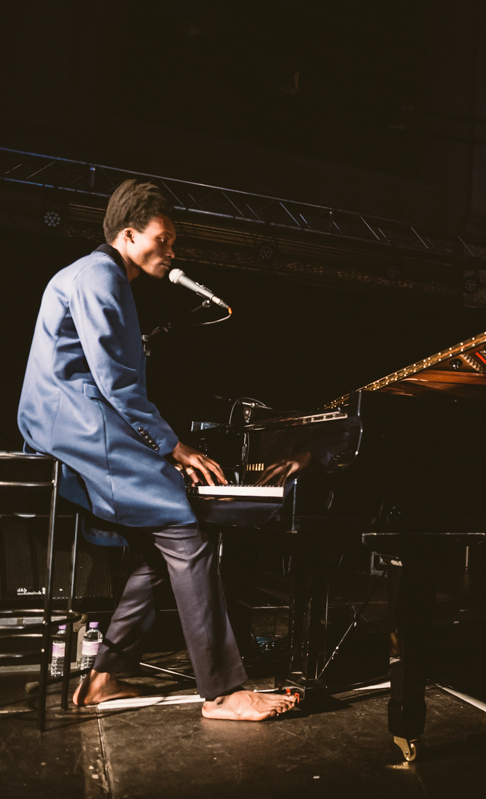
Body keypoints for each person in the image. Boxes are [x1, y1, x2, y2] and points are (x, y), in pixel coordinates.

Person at [18, 179, 296, 721]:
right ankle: (222, 692)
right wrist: (175, 448)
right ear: (128, 235)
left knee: (159, 544)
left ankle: (102, 680)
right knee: (186, 528)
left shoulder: (93, 275)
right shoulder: (101, 278)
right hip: (72, 425)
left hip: (69, 420)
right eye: (164, 241)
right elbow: (118, 384)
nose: (172, 253)